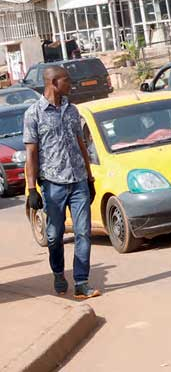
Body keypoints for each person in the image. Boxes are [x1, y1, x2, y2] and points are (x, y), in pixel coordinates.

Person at [23, 65, 100, 300]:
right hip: (52, 185)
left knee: (83, 232)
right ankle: (58, 273)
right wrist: (31, 189)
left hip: (78, 182)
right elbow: (31, 154)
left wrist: (89, 178)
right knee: (55, 235)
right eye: (67, 81)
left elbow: (81, 145)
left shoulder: (72, 111)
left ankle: (81, 282)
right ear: (53, 82)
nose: (71, 84)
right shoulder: (33, 114)